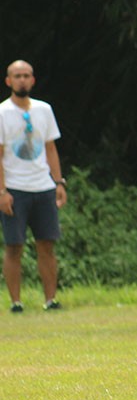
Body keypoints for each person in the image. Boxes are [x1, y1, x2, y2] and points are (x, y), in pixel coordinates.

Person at [0, 60, 66, 313]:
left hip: (43, 186)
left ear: (33, 80)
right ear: (8, 81)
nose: (22, 80)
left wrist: (58, 182)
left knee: (46, 244)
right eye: (17, 76)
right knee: (14, 246)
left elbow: (50, 148)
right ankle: (16, 302)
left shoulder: (44, 110)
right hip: (15, 189)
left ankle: (51, 300)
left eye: (26, 75)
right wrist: (2, 191)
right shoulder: (3, 113)